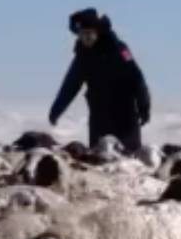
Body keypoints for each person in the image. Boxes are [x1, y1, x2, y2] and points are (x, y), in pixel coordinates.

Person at [47, 8, 152, 150]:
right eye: (83, 35)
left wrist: (144, 106)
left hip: (125, 116)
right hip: (99, 118)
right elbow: (71, 84)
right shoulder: (83, 56)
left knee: (128, 162)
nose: (86, 38)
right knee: (99, 161)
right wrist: (56, 110)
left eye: (89, 34)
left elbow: (137, 78)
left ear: (98, 32)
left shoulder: (119, 49)